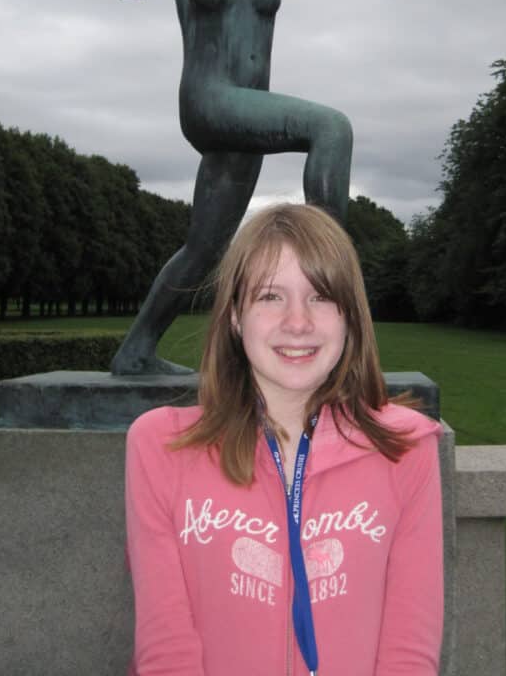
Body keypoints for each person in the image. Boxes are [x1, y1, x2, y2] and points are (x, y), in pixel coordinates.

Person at [22, 0, 369, 374]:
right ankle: (334, 278)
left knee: (204, 248)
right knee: (330, 127)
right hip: (210, 103)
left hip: (243, 126)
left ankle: (135, 351)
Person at [125, 203, 444, 676]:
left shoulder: (406, 448)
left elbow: (409, 652)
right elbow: (165, 648)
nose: (298, 322)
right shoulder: (161, 447)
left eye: (321, 297)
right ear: (235, 315)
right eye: (271, 296)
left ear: (350, 318)